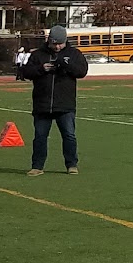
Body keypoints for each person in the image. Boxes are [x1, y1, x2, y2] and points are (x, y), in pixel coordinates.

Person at [19, 25, 88, 176]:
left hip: (65, 104)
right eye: (54, 43)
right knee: (40, 137)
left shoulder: (74, 54)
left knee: (69, 135)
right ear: (49, 41)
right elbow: (26, 73)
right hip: (42, 104)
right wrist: (42, 69)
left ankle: (71, 164)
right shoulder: (38, 55)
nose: (57, 46)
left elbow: (82, 72)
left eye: (60, 43)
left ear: (65, 41)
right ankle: (37, 166)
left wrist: (65, 64)